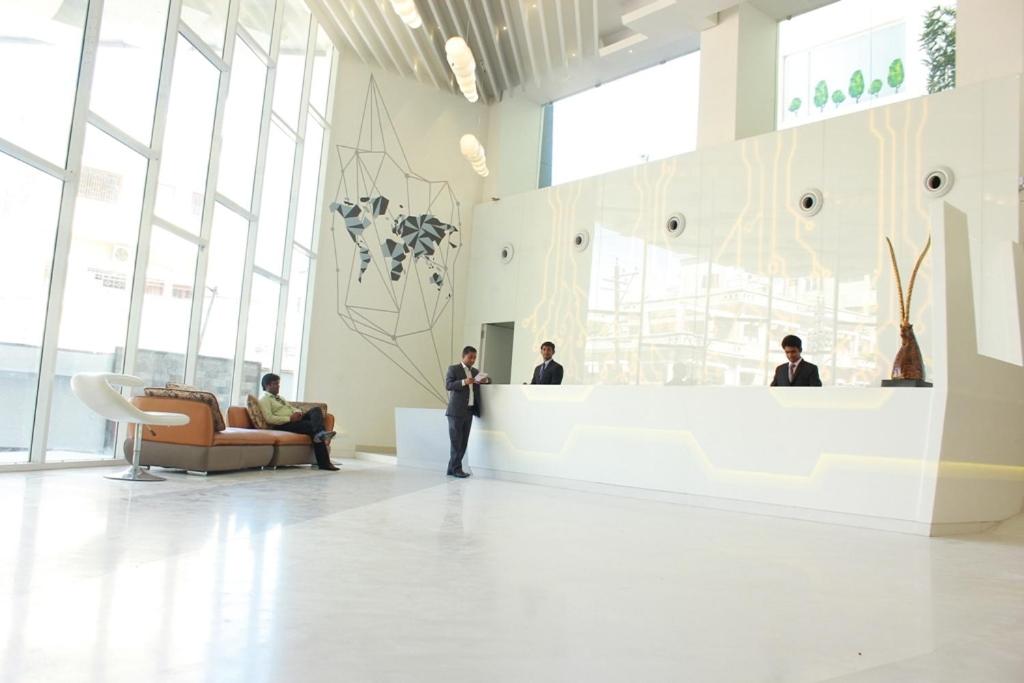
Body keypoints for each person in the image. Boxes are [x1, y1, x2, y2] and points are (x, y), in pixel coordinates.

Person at [258, 373, 339, 471]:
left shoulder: (280, 398)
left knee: (316, 410)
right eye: (275, 384)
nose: (278, 386)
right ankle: (324, 462)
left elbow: (291, 408)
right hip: (283, 424)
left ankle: (320, 433)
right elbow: (269, 418)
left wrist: (298, 413)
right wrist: (289, 419)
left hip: (294, 420)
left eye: (278, 384)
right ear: (267, 385)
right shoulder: (264, 399)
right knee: (311, 427)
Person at [444, 346, 490, 477]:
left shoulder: (475, 371)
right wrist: (464, 382)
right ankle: (456, 469)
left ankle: (452, 469)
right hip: (455, 412)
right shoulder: (453, 369)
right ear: (463, 356)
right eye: (470, 357)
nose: (473, 360)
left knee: (463, 443)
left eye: (475, 357)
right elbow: (448, 385)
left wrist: (486, 381)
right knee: (456, 442)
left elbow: (488, 381)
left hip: (469, 411)